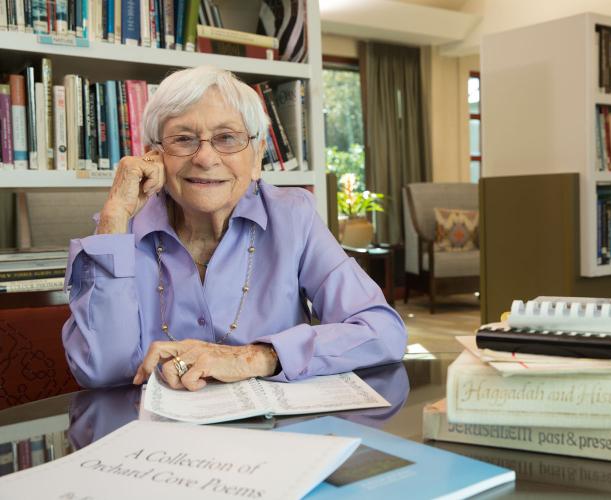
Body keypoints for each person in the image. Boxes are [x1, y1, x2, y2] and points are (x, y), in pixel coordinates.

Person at [62, 65, 407, 391]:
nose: (206, 158)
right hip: (156, 438)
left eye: (227, 138)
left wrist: (258, 356)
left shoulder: (293, 217)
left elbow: (383, 332)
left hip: (269, 435)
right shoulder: (120, 234)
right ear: (154, 157)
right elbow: (101, 372)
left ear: (257, 157)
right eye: (183, 139)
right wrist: (114, 214)